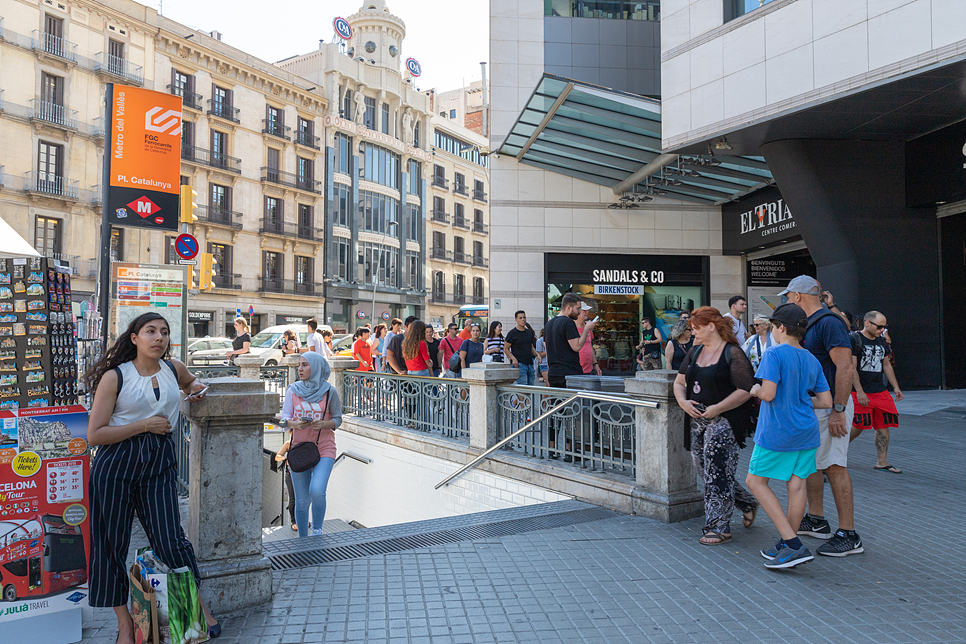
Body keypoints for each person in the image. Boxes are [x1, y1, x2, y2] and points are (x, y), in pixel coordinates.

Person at [85, 312, 219, 642]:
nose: (158, 337)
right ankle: (124, 624)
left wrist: (198, 386)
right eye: (150, 331)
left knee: (170, 540)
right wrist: (144, 425)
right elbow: (95, 435)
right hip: (116, 465)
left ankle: (197, 607)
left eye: (164, 332)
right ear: (135, 338)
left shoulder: (174, 369)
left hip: (159, 464)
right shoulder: (116, 377)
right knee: (110, 546)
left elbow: (191, 383)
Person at [780, 275, 862, 557]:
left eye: (788, 297)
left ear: (799, 296)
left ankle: (848, 533)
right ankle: (816, 519)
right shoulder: (819, 322)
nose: (788, 302)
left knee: (834, 465)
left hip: (831, 407)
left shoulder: (828, 322)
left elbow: (845, 367)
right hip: (820, 406)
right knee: (814, 464)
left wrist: (838, 410)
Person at [746, 303, 832, 569]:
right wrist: (800, 401)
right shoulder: (811, 358)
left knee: (755, 482)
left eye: (772, 327)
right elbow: (826, 400)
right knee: (797, 486)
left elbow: (768, 393)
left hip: (777, 432)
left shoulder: (774, 354)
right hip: (806, 431)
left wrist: (755, 391)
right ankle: (786, 544)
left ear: (780, 327)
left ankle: (793, 544)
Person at [673, 306, 758, 546]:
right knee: (704, 470)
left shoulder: (733, 353)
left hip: (725, 421)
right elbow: (680, 382)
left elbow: (745, 390)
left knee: (718, 471)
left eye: (696, 329)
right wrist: (682, 401)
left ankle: (719, 526)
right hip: (697, 419)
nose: (693, 334)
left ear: (711, 326)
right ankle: (747, 502)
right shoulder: (695, 351)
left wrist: (719, 408)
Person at [280, 352, 343, 537]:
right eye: (300, 365)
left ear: (315, 368)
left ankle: (317, 531)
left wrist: (323, 424)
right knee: (301, 501)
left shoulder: (330, 391)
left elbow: (338, 420)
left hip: (324, 447)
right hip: (299, 448)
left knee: (317, 491)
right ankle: (303, 538)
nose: (300, 369)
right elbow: (283, 420)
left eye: (305, 365)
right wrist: (294, 424)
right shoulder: (292, 390)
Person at [849, 311, 904, 473]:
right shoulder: (854, 340)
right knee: (859, 425)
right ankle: (836, 450)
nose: (882, 330)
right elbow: (851, 368)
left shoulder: (881, 341)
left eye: (885, 327)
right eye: (879, 326)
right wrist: (859, 391)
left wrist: (895, 387)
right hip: (860, 390)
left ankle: (882, 462)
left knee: (884, 423)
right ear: (867, 323)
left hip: (879, 390)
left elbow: (886, 364)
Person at [545, 294, 597, 459]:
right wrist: (587, 329)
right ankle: (570, 450)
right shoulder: (568, 323)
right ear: (568, 307)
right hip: (570, 373)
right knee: (571, 412)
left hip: (554, 372)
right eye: (577, 308)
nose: (578, 311)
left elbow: (548, 349)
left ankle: (552, 449)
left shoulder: (549, 324)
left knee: (556, 411)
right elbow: (576, 347)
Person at [505, 310, 538, 385]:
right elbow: (506, 349)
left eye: (524, 317)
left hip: (529, 364)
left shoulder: (528, 332)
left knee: (529, 390)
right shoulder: (512, 333)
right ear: (516, 320)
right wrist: (513, 359)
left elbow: (531, 347)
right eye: (520, 318)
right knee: (522, 389)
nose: (523, 319)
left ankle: (518, 397)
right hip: (519, 364)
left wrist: (537, 354)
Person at [274, 431, 298, 531]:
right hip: (291, 475)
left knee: (304, 498)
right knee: (293, 498)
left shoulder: (305, 442)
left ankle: (302, 519)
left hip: (303, 474)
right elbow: (277, 457)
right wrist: (286, 458)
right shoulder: (288, 443)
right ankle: (294, 521)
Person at [575, 302, 602, 375]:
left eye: (587, 310)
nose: (587, 312)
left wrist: (596, 364)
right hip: (576, 370)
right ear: (578, 311)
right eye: (584, 311)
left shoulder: (587, 326)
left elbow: (589, 346)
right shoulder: (571, 327)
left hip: (588, 369)